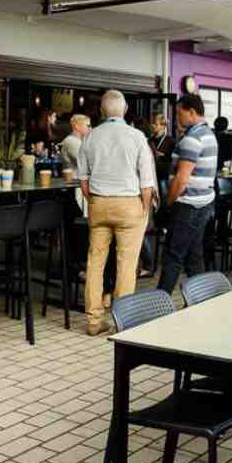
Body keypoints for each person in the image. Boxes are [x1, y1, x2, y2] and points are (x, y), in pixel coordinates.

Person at [78, 91, 156, 335]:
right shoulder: (137, 137)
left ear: (102, 111)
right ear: (125, 110)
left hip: (99, 204)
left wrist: (96, 202)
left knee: (95, 262)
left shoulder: (90, 137)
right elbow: (146, 182)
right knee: (126, 263)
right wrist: (144, 209)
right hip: (129, 205)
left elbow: (84, 181)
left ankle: (93, 321)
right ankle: (122, 322)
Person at [159, 94, 218, 293]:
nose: (176, 118)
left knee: (173, 255)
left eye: (179, 113)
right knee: (194, 255)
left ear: (191, 112)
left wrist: (168, 202)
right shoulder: (208, 134)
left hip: (187, 205)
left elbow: (182, 179)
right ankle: (200, 299)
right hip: (204, 204)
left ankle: (160, 302)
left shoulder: (192, 138)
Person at [148, 112, 176, 183]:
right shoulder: (149, 140)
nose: (153, 126)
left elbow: (173, 159)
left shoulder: (170, 141)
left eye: (156, 124)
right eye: (152, 123)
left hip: (163, 176)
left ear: (163, 126)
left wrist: (162, 155)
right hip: (151, 176)